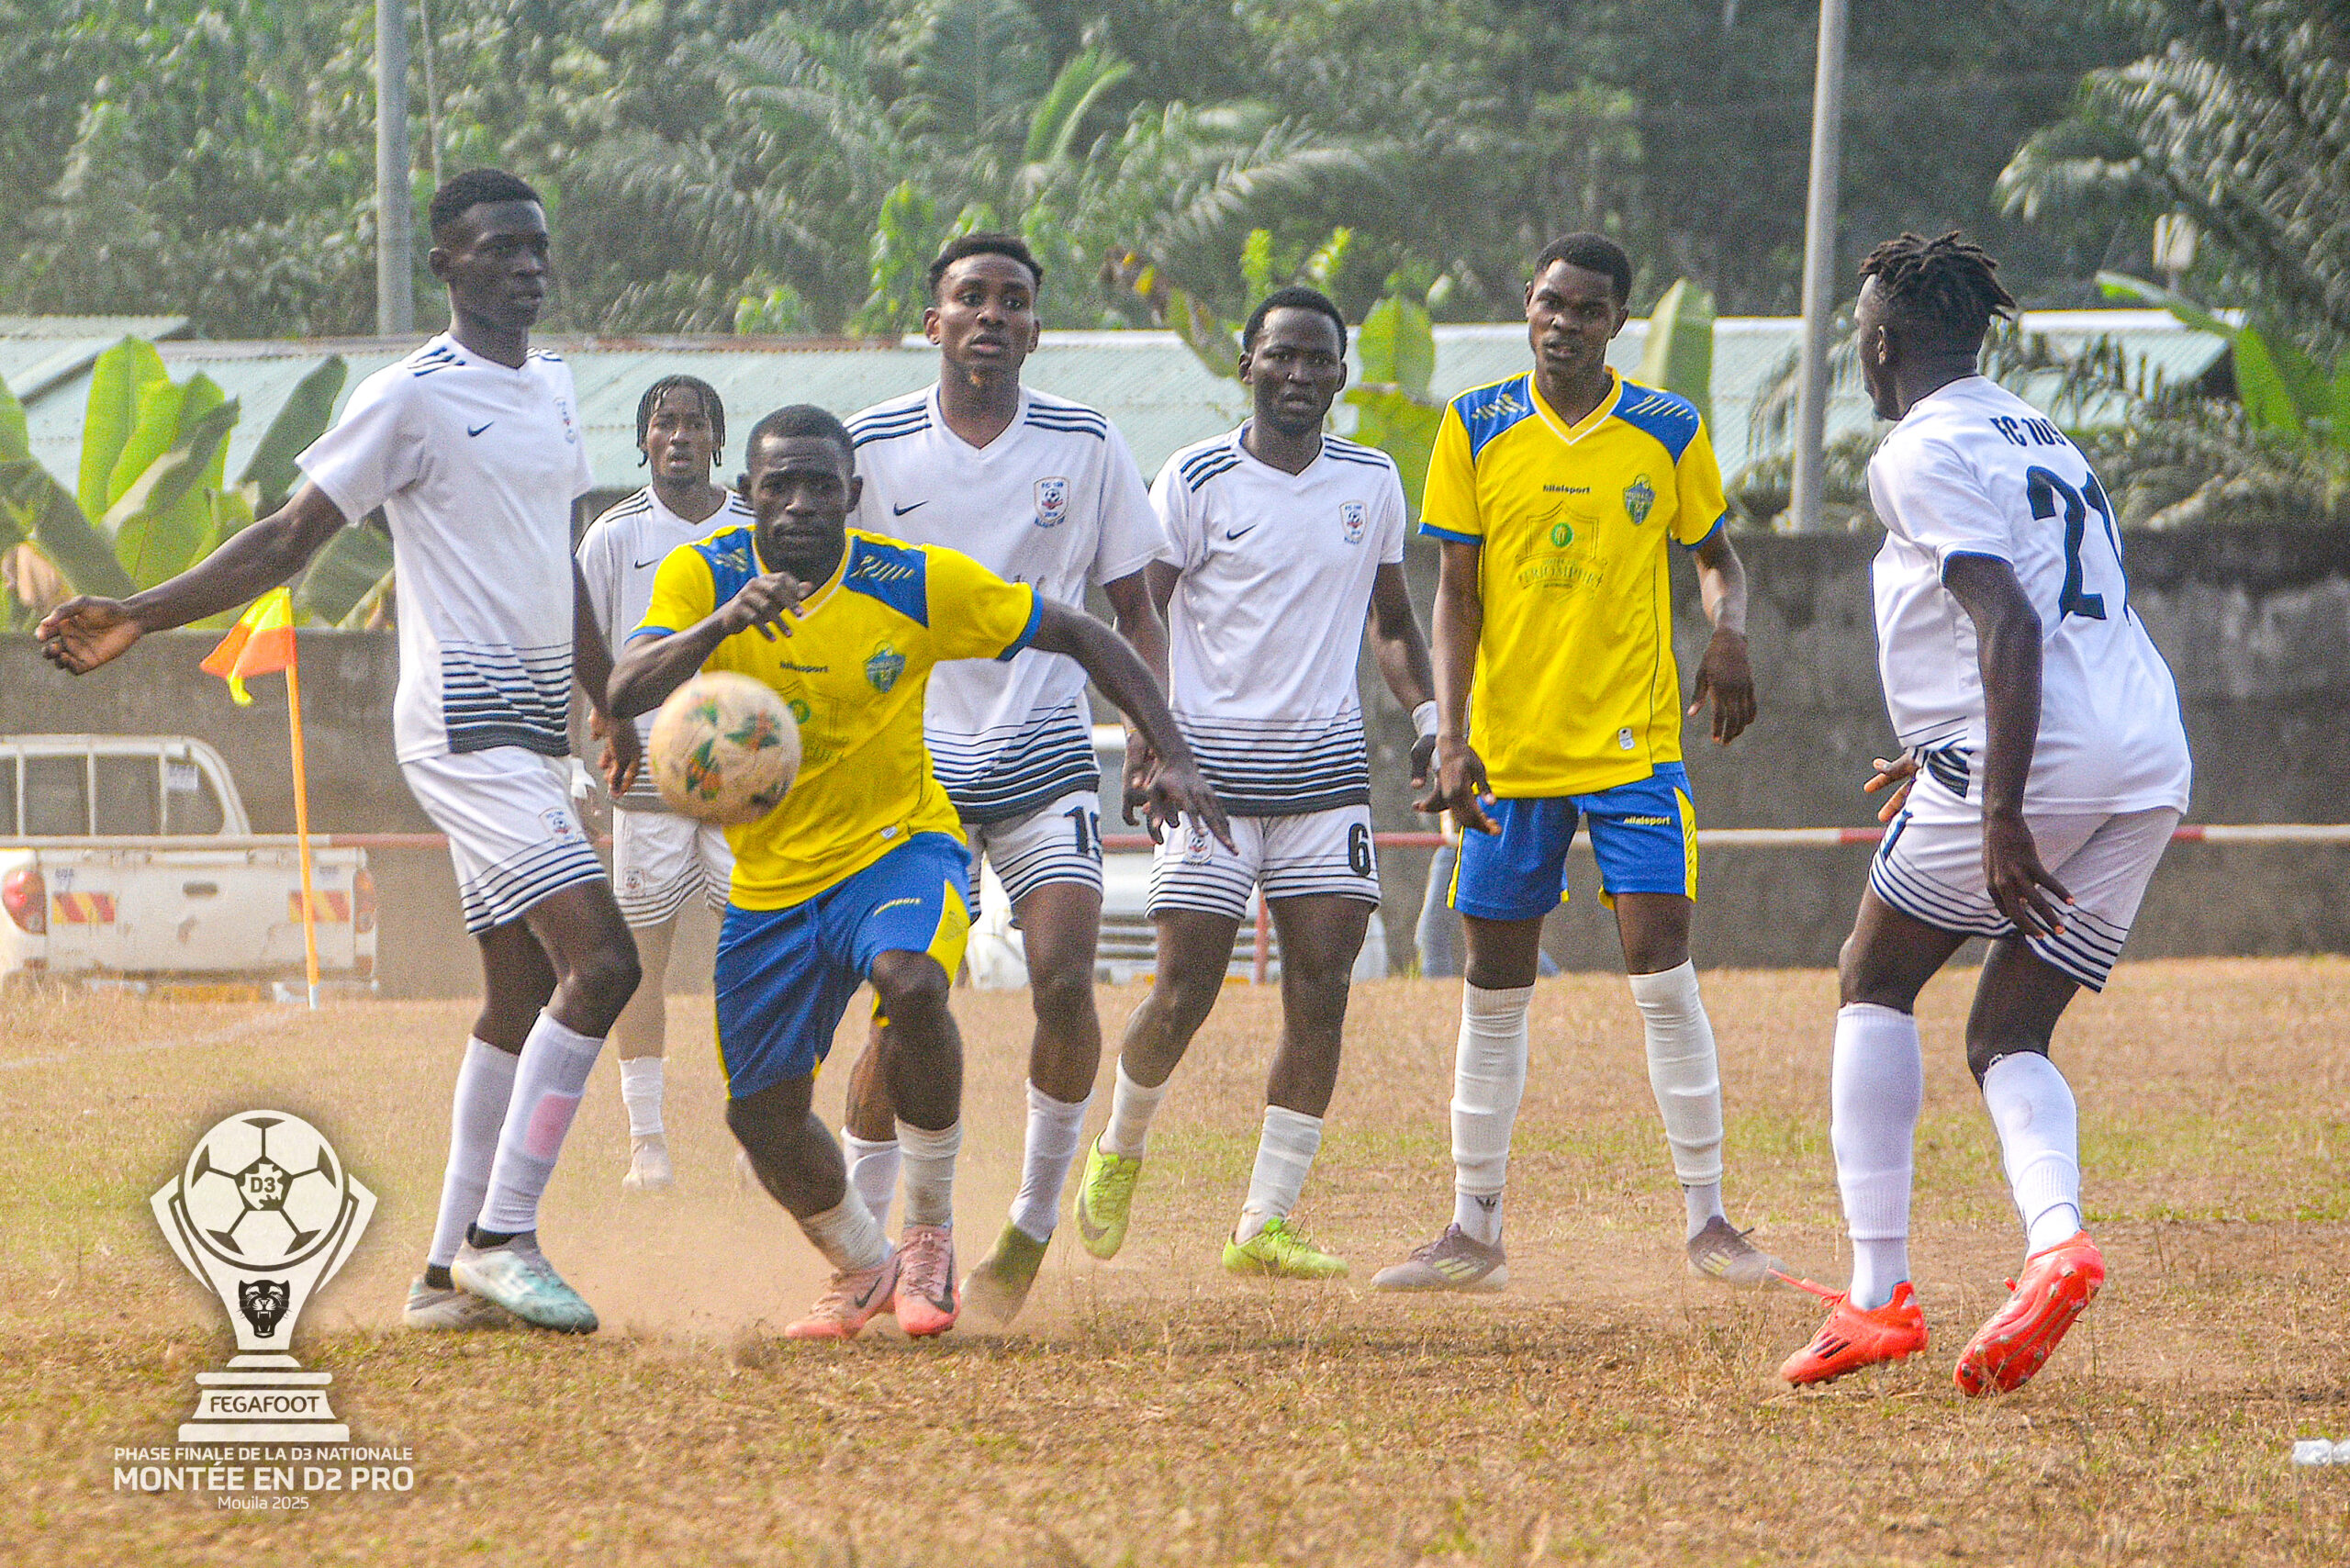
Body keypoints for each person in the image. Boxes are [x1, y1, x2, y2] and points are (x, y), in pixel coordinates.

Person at [39, 168, 641, 1335]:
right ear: (448, 265)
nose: (529, 265)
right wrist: (146, 614)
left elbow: (553, 553)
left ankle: (438, 1276)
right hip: (462, 724)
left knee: (521, 992)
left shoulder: (559, 390)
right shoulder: (408, 397)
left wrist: (604, 693)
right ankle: (503, 1236)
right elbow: (289, 537)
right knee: (603, 963)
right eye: (501, 247)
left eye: (539, 247)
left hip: (534, 723)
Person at [608, 405, 1226, 1340]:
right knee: (760, 1116)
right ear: (750, 498)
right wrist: (718, 629)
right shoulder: (706, 574)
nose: (803, 504)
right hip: (771, 886)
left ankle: (929, 1230)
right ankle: (864, 1261)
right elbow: (624, 689)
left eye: (824, 486)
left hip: (897, 846)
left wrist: (1167, 746)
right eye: (781, 487)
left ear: (855, 497)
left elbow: (1087, 634)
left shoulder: (912, 581)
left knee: (913, 984)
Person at [1777, 233, 2190, 1393]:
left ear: (1880, 344)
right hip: (2146, 758)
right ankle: (2055, 1240)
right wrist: (1946, 756)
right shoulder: (2041, 435)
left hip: (2034, 758)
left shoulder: (1915, 449)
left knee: (1872, 976)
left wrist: (1997, 807)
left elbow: (2007, 623)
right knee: (2005, 1030)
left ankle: (1875, 1298)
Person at [1373, 231, 1775, 1294]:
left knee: (1662, 972)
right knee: (1492, 990)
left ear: (1615, 324)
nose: (1562, 322)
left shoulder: (1665, 427)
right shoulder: (1474, 423)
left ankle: (1710, 1221)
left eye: (1586, 310)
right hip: (1505, 760)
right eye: (1549, 303)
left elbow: (1717, 561)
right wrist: (1450, 738)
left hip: (1635, 750)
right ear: (1527, 305)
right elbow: (1453, 593)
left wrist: (1727, 632)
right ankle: (1472, 1230)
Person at [835, 233, 1171, 1325]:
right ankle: (865, 1246)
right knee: (902, 1001)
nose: (990, 315)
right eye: (968, 298)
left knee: (1065, 982)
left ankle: (1025, 1232)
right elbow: (816, 598)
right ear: (930, 322)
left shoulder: (1085, 441)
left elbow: (1136, 610)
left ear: (1035, 325)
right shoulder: (869, 445)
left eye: (1012, 300)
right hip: (911, 769)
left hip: (1043, 757)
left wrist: (1155, 742)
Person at [1073, 286, 1437, 1279]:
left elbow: (1393, 625)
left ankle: (1263, 1222)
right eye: (1280, 356)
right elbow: (1137, 617)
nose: (1299, 374)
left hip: (1326, 777)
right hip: (1207, 781)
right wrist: (1147, 741)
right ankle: (1121, 1146)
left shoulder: (1372, 480)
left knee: (1322, 994)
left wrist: (1432, 722)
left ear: (1341, 376)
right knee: (1184, 991)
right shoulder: (1193, 479)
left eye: (1319, 360)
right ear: (1246, 366)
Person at [576, 375, 753, 1193]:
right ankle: (647, 1139)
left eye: (694, 423)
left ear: (719, 440)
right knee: (644, 958)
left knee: (752, 953)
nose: (677, 435)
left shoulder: (756, 531)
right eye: (663, 422)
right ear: (642, 440)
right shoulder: (611, 537)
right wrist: (590, 743)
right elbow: (587, 651)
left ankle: (758, 1124)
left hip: (745, 776)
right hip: (645, 777)